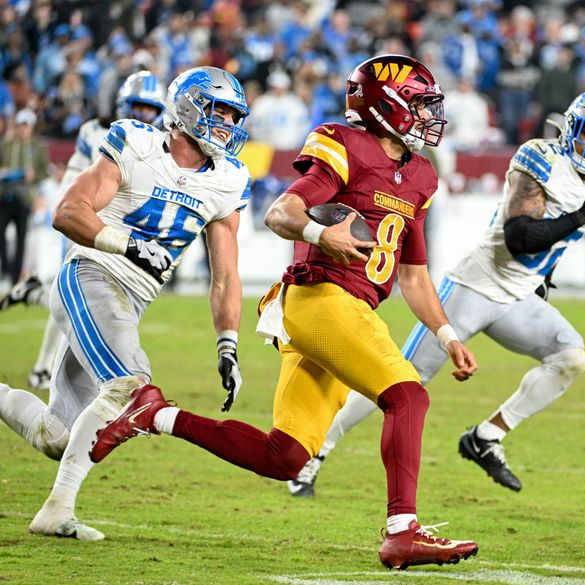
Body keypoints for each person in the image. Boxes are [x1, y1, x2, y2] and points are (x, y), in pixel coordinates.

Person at [91, 55, 480, 570]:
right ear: (388, 105)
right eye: (419, 103)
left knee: (286, 456)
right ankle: (402, 530)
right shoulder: (347, 144)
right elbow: (282, 212)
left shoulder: (421, 176)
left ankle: (155, 414)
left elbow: (412, 276)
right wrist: (322, 233)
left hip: (343, 311)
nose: (429, 115)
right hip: (322, 300)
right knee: (408, 397)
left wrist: (448, 335)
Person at [288, 88, 585, 497]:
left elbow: (555, 245)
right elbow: (522, 238)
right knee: (401, 379)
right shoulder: (541, 157)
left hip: (518, 295)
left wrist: (542, 280)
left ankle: (486, 437)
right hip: (474, 285)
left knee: (571, 357)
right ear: (572, 125)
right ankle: (314, 453)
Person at [0, 66, 252, 541]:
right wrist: (129, 245)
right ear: (187, 108)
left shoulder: (229, 179)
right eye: (218, 112)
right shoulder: (136, 144)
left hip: (131, 301)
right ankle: (57, 509)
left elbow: (225, 276)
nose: (226, 125)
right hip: (91, 272)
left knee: (57, 434)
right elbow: (69, 212)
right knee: (129, 384)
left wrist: (228, 345)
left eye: (233, 116)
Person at [0, 71, 166, 392]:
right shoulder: (95, 132)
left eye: (150, 108)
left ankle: (35, 294)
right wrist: (77, 214)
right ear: (122, 104)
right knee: (80, 294)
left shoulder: (159, 146)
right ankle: (43, 369)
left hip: (126, 230)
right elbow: (74, 178)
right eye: (138, 106)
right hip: (90, 221)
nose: (144, 114)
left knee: (101, 302)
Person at [0, 108, 49, 286]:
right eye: (21, 125)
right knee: (1, 234)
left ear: (31, 127)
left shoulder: (38, 148)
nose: (23, 129)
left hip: (25, 199)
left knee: (21, 240)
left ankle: (14, 278)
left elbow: (44, 173)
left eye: (26, 126)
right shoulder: (6, 145)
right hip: (5, 196)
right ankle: (4, 268)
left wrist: (33, 176)